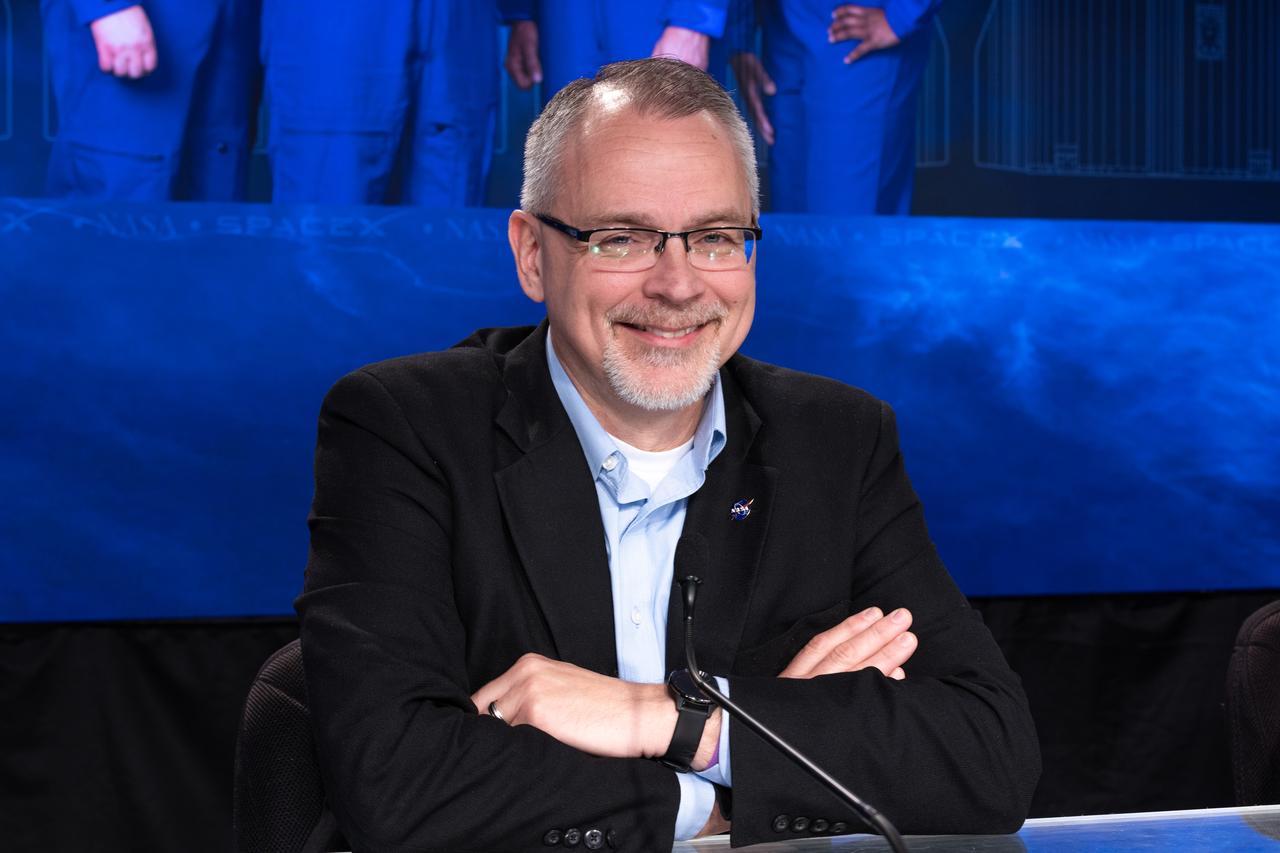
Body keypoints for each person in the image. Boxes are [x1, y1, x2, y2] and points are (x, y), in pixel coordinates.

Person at [296, 57, 1039, 851]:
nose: (679, 285)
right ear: (531, 254)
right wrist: (715, 794)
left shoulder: (838, 439)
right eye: (622, 238)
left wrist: (675, 719)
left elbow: (988, 754)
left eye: (717, 237)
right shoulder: (405, 426)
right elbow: (397, 781)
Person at [260, 0, 498, 205]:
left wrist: (519, 14)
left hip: (460, 26)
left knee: (449, 196)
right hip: (336, 23)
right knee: (330, 200)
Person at [729, 1, 941, 214]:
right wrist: (739, 35)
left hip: (859, 28)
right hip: (782, 29)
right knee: (791, 218)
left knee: (848, 219)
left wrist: (903, 15)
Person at [41, 0, 261, 200]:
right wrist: (106, 7)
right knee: (121, 189)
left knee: (213, 183)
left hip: (235, 24)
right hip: (134, 17)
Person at [503, 1, 730, 99]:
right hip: (564, 13)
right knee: (569, 153)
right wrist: (523, 13)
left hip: (658, 12)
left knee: (661, 141)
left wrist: (696, 16)